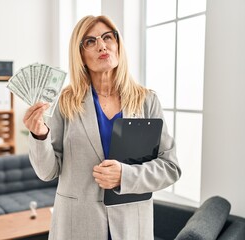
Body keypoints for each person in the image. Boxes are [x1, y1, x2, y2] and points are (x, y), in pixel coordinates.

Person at [23, 15, 181, 240]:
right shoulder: (65, 101)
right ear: (81, 55)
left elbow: (170, 167)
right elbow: (47, 171)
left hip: (130, 226)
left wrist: (124, 176)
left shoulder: (147, 101)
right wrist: (40, 135)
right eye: (90, 41)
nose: (102, 45)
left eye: (107, 37)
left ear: (117, 44)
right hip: (77, 224)